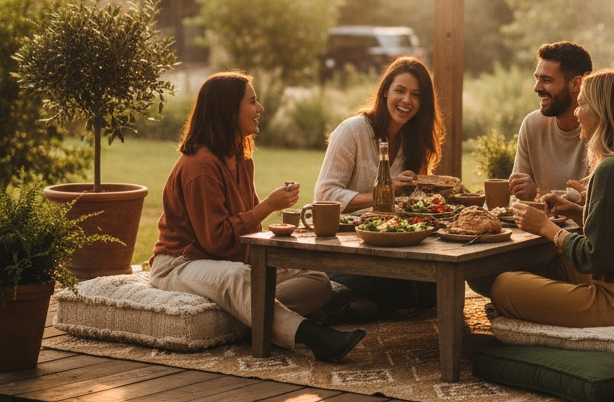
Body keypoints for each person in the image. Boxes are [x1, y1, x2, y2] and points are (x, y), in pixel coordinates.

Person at [150, 70, 365, 363]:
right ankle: (313, 336)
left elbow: (247, 229)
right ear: (228, 111)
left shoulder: (240, 159)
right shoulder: (200, 166)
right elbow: (216, 240)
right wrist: (268, 205)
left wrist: (282, 236)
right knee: (236, 276)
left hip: (229, 262)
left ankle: (245, 313)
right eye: (252, 102)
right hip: (181, 264)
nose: (260, 109)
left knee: (316, 280)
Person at [491, 69, 614, 333]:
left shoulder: (612, 170)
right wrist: (575, 212)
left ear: (603, 112)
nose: (576, 112)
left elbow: (598, 259)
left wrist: (547, 228)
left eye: (582, 103)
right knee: (559, 265)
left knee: (504, 286)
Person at [315, 56, 445, 321]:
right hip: (349, 243)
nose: (407, 100)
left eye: (416, 95)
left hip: (393, 244)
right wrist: (386, 194)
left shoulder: (414, 141)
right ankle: (333, 288)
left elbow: (413, 202)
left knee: (433, 291)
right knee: (405, 294)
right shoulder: (353, 131)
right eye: (400, 90)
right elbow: (325, 196)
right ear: (386, 90)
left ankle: (358, 302)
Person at [508, 41, 594, 202]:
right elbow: (521, 199)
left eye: (546, 80)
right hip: (544, 226)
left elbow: (598, 203)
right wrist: (528, 193)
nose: (536, 88)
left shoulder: (601, 129)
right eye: (537, 79)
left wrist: (540, 195)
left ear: (576, 84)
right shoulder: (532, 125)